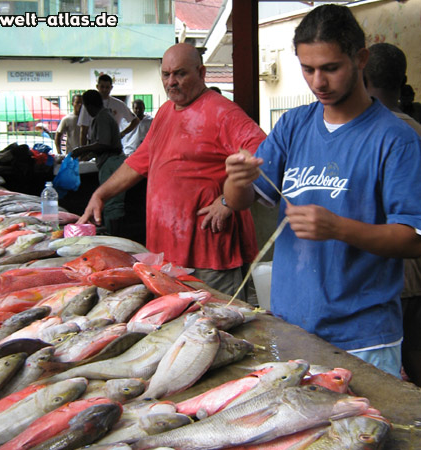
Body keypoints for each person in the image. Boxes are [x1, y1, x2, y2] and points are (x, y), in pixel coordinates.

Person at [224, 4, 421, 377]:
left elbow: (414, 239)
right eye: (308, 69)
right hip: (292, 326)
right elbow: (241, 202)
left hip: (362, 338)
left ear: (360, 59)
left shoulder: (395, 139)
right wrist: (235, 178)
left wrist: (338, 228)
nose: (318, 82)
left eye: (331, 68)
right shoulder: (293, 125)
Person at [78, 43, 266, 297]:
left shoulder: (223, 112)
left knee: (217, 324)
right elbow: (138, 162)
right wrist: (101, 194)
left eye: (180, 73)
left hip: (209, 253)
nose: (171, 82)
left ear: (201, 73)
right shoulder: (165, 112)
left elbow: (263, 153)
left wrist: (227, 202)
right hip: (167, 253)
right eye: (166, 75)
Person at [364, 42, 421, 386]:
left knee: (406, 355)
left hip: (397, 273)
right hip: (412, 274)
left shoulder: (383, 134)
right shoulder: (415, 129)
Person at [71, 90, 126, 236]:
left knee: (112, 204)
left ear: (88, 106)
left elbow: (104, 143)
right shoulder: (102, 116)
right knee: (110, 204)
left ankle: (115, 239)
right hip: (108, 162)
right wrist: (88, 153)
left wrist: (81, 149)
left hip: (112, 163)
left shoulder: (102, 117)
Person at [120, 99, 153, 245]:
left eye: (140, 107)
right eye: (135, 107)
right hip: (129, 156)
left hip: (146, 160)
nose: (138, 109)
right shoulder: (127, 121)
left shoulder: (149, 121)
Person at [78, 73, 139, 146]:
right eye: (102, 87)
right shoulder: (89, 104)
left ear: (111, 87)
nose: (104, 90)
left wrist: (122, 133)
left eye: (107, 87)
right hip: (93, 142)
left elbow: (135, 120)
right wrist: (82, 151)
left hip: (112, 143)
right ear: (97, 87)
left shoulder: (119, 104)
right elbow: (83, 130)